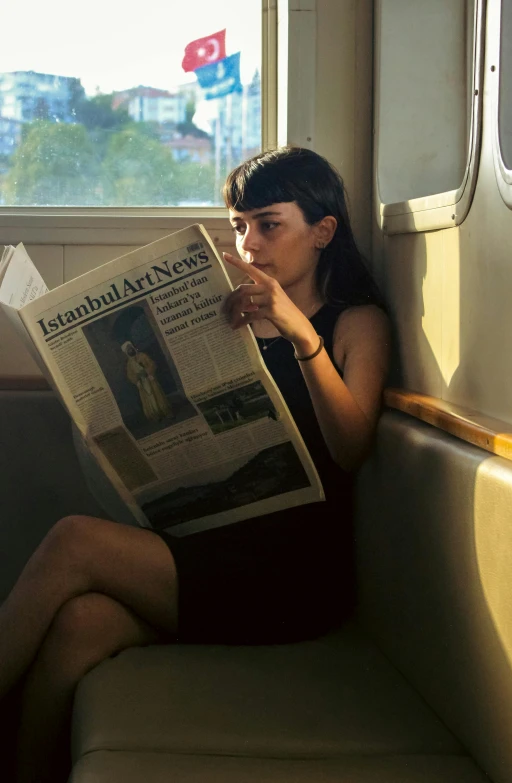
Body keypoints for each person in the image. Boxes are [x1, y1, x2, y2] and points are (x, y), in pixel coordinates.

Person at [0, 146, 389, 783]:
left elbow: (353, 448)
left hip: (294, 575)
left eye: (269, 224)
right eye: (238, 225)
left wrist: (301, 337)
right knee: (79, 625)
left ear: (323, 231)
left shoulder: (355, 322)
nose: (249, 243)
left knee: (73, 541)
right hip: (213, 550)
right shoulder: (228, 313)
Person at [121, 340, 172, 422]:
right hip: (142, 383)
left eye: (131, 348)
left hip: (150, 379)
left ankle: (167, 412)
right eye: (128, 350)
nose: (130, 350)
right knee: (149, 400)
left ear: (133, 347)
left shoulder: (142, 355)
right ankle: (156, 415)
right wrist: (137, 380)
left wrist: (148, 372)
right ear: (126, 352)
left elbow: (151, 364)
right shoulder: (129, 363)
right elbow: (130, 375)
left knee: (158, 396)